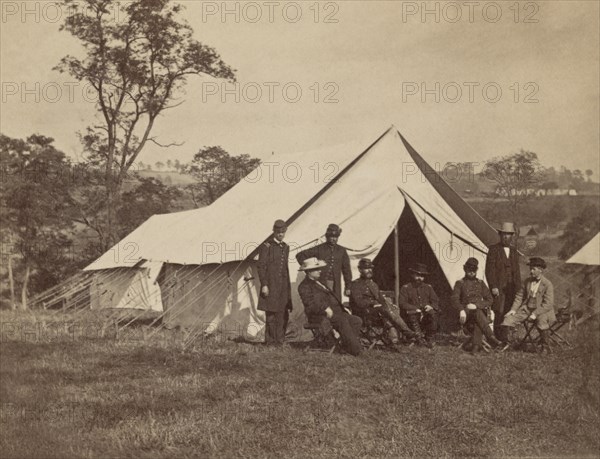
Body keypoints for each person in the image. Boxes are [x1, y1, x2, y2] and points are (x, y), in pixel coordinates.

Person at [349, 258, 421, 349]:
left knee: (390, 309)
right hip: (363, 313)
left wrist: (388, 305)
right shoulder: (355, 284)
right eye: (366, 268)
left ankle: (394, 341)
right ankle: (406, 333)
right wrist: (372, 303)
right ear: (360, 270)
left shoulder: (374, 284)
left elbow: (381, 299)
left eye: (370, 268)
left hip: (378, 312)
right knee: (386, 311)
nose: (369, 270)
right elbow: (358, 302)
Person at [298, 257, 362, 356]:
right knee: (342, 321)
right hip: (318, 316)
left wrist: (342, 308)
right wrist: (324, 308)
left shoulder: (320, 282)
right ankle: (355, 350)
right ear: (308, 271)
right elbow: (310, 305)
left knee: (356, 320)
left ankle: (346, 346)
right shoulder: (304, 286)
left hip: (334, 312)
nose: (320, 271)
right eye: (317, 269)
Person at [501, 257, 555, 353]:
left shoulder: (547, 284)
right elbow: (519, 297)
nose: (531, 271)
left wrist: (535, 314)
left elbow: (548, 304)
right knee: (508, 319)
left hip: (542, 310)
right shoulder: (527, 281)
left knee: (541, 320)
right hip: (527, 309)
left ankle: (545, 346)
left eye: (533, 269)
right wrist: (513, 310)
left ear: (540, 270)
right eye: (530, 268)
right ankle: (508, 345)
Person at [451, 257, 504, 353]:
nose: (471, 272)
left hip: (478, 314)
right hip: (465, 315)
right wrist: (461, 310)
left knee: (477, 315)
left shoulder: (480, 283)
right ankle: (492, 338)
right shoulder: (460, 283)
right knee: (478, 314)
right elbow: (454, 300)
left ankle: (476, 346)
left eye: (474, 270)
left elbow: (490, 299)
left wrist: (477, 305)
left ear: (476, 270)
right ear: (465, 269)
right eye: (469, 269)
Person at [257, 219, 292, 345]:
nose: (280, 234)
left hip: (283, 287)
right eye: (278, 232)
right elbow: (261, 267)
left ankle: (280, 340)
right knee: (271, 313)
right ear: (274, 232)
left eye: (283, 232)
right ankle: (270, 341)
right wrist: (264, 284)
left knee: (282, 313)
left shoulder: (286, 247)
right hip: (271, 285)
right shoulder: (267, 246)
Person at [296, 223, 352, 303]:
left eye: (336, 237)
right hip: (321, 283)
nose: (334, 239)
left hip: (336, 285)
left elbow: (347, 270)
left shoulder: (341, 251)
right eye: (332, 237)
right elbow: (300, 255)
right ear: (327, 237)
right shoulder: (319, 248)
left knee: (336, 304)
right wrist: (309, 269)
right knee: (322, 304)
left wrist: (348, 287)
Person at [485, 222, 522, 341]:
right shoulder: (493, 249)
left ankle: (505, 337)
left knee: (509, 311)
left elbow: (517, 271)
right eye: (504, 234)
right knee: (499, 311)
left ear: (512, 236)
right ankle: (497, 339)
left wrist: (519, 287)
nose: (506, 237)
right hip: (499, 288)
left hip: (511, 287)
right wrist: (493, 286)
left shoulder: (514, 251)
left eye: (508, 235)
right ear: (500, 235)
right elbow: (489, 270)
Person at [398, 263, 440, 347]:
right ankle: (419, 338)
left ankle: (429, 338)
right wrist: (416, 308)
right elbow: (402, 303)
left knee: (434, 314)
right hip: (410, 317)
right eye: (417, 275)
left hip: (425, 316)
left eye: (422, 276)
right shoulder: (406, 288)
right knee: (412, 313)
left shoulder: (428, 287)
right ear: (412, 274)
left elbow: (435, 300)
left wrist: (431, 306)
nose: (419, 278)